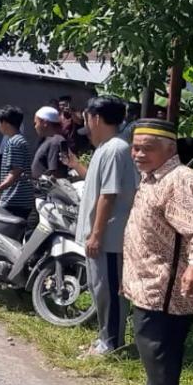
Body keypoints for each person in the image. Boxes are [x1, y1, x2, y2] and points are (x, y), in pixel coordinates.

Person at [120, 119, 193, 385]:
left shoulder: (180, 181)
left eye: (148, 148)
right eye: (135, 147)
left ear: (170, 149)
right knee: (150, 349)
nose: (139, 153)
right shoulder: (153, 178)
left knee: (160, 351)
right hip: (146, 282)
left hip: (166, 289)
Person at [63, 97, 138, 357]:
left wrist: (96, 235)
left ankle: (112, 344)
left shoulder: (116, 149)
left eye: (86, 118)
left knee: (111, 292)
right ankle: (104, 338)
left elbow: (109, 195)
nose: (86, 124)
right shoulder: (106, 148)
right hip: (101, 237)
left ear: (95, 118)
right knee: (100, 290)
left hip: (109, 238)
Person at [0, 106, 34, 220]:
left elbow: (15, 171)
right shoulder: (19, 140)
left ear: (5, 123)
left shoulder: (14, 142)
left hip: (15, 199)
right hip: (18, 199)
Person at [31, 106, 69, 180]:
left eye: (36, 123)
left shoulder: (56, 141)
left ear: (45, 123)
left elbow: (56, 174)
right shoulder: (46, 140)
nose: (35, 127)